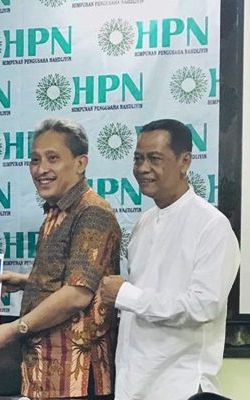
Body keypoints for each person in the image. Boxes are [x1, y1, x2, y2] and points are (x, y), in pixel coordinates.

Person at [100, 119, 240, 400]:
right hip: (133, 384)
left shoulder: (212, 226)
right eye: (138, 158)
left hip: (179, 386)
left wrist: (127, 296)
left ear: (184, 161)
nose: (142, 168)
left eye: (154, 159)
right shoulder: (144, 223)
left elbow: (203, 306)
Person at [0, 118, 120, 399]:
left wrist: (16, 328)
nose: (40, 169)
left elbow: (77, 294)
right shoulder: (55, 212)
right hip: (44, 371)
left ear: (80, 163)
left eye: (53, 158)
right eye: (35, 160)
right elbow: (75, 278)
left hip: (77, 377)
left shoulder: (92, 212)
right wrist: (27, 282)